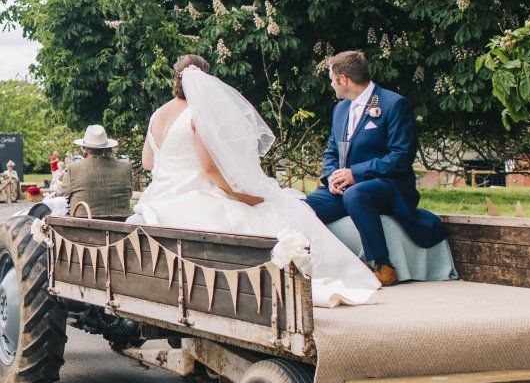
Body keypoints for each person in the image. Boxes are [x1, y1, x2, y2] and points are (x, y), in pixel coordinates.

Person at [131, 55, 378, 307]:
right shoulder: (197, 113)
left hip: (159, 195)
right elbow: (209, 169)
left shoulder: (158, 114)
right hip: (195, 192)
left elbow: (149, 163)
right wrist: (242, 196)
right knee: (267, 211)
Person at [301, 50, 446, 286]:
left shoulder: (392, 104)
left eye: (331, 79)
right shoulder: (340, 110)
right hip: (344, 187)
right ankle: (318, 265)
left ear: (343, 79)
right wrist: (331, 179)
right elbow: (331, 152)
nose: (330, 84)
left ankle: (382, 265)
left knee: (357, 194)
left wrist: (355, 174)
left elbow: (401, 157)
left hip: (389, 185)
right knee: (306, 207)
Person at [53, 126, 137, 219]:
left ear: (84, 148)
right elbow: (129, 194)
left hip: (82, 226)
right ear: (108, 148)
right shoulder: (125, 167)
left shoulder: (74, 168)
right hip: (121, 226)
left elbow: (61, 195)